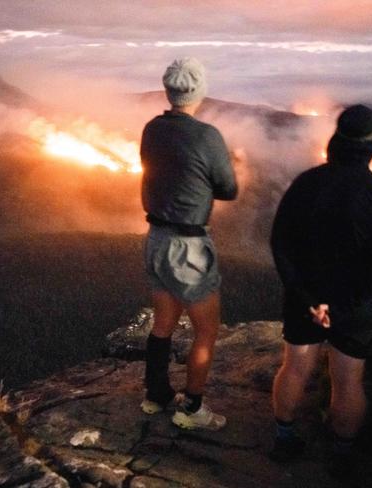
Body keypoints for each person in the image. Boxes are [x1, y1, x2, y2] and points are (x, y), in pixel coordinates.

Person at [269, 105, 372, 474]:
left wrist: (308, 300)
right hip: (355, 308)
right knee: (348, 380)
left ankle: (284, 440)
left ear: (335, 142)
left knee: (295, 367)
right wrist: (344, 310)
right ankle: (342, 454)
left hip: (304, 301)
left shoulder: (305, 184)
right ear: (370, 147)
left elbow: (280, 244)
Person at [139, 58, 238, 431]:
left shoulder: (152, 129)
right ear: (199, 91)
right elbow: (228, 189)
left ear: (169, 90)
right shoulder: (207, 136)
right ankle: (192, 408)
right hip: (189, 247)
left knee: (162, 322)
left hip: (156, 239)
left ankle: (156, 395)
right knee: (207, 330)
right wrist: (230, 164)